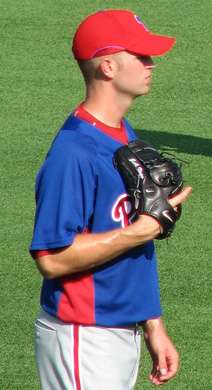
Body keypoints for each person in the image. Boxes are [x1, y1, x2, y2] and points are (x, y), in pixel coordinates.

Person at [30, 9, 192, 390]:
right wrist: (140, 232)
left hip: (120, 330)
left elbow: (127, 244)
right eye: (140, 56)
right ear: (108, 67)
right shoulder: (74, 152)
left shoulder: (121, 133)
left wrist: (153, 324)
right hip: (83, 336)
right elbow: (52, 258)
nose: (151, 64)